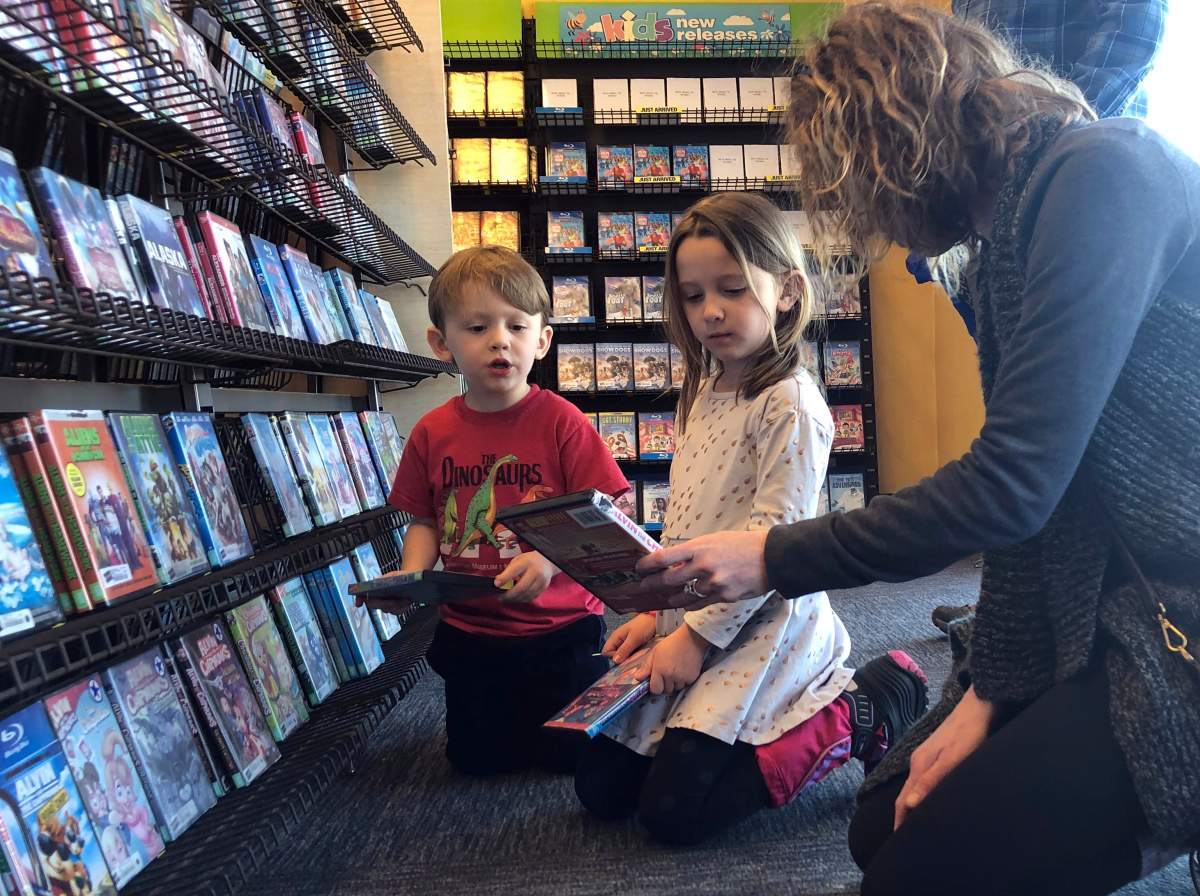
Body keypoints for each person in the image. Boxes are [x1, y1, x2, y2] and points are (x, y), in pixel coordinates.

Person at [635, 5, 1200, 893]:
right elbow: (1037, 504)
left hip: (1172, 607)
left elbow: (1013, 488)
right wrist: (991, 691)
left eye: (856, 187)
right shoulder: (1009, 228)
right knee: (879, 824)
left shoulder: (1102, 175)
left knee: (912, 879)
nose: (877, 225)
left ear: (894, 143)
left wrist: (776, 556)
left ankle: (1157, 814)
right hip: (1101, 588)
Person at [573, 193, 929, 847]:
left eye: (732, 290)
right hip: (693, 617)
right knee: (599, 789)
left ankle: (862, 706)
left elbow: (774, 543)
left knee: (674, 817)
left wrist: (696, 640)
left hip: (764, 627)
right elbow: (689, 516)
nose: (710, 310)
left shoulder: (791, 403)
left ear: (788, 290)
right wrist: (658, 613)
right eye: (693, 294)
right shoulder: (708, 390)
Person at [926, 0, 1168, 632]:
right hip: (995, 198)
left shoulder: (1091, 166)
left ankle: (1098, 603)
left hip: (1078, 185)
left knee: (1089, 430)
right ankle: (1020, 606)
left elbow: (1137, 31)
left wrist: (1037, 151)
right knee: (1020, 412)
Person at [363, 245, 629, 777]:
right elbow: (424, 518)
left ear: (543, 340)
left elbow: (605, 509)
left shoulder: (563, 422)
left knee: (568, 759)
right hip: (472, 628)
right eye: (478, 327)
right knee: (476, 762)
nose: (499, 340)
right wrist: (410, 577)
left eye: (516, 326)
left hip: (560, 624)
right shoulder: (433, 431)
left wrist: (551, 562)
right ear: (442, 343)